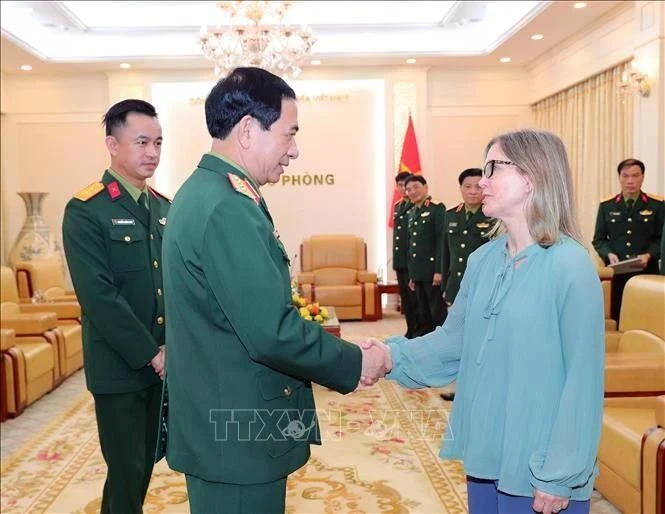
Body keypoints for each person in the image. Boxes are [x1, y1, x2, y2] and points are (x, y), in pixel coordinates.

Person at [160, 67, 390, 514]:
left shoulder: (207, 193)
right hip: (238, 438)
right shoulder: (227, 207)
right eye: (289, 134)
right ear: (248, 130)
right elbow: (271, 332)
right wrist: (356, 361)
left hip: (221, 423)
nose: (295, 150)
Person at [365, 129, 605, 514]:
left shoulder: (571, 264)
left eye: (494, 168)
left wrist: (559, 474)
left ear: (531, 177)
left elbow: (583, 380)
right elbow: (454, 342)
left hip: (538, 468)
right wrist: (388, 356)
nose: (483, 180)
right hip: (487, 453)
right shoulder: (483, 260)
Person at [62, 99, 168, 514]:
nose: (153, 152)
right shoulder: (87, 210)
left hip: (163, 361)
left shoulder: (162, 207)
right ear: (112, 143)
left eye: (158, 142)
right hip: (121, 369)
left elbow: (170, 285)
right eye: (142, 142)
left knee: (143, 467)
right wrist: (151, 355)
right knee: (126, 472)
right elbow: (99, 297)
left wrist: (170, 348)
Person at [439, 167, 492, 401]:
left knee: (481, 339)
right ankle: (458, 385)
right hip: (457, 286)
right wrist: (445, 286)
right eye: (467, 187)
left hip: (484, 287)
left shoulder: (494, 216)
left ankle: (480, 386)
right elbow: (446, 255)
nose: (472, 191)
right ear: (460, 188)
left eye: (478, 187)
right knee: (458, 338)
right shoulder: (451, 215)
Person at [592, 158, 664, 321]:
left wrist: (649, 254)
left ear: (643, 177)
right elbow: (599, 239)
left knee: (646, 319)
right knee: (618, 318)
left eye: (635, 176)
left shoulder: (657, 205)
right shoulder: (607, 206)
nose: (630, 181)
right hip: (617, 275)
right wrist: (608, 254)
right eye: (625, 176)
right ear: (619, 178)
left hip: (646, 275)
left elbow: (662, 239)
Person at [404, 174, 446, 336]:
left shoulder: (436, 209)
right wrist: (412, 275)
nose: (412, 192)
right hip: (419, 272)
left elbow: (441, 241)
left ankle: (442, 344)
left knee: (437, 312)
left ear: (426, 188)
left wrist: (439, 270)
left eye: (416, 187)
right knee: (423, 313)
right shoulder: (412, 213)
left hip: (432, 272)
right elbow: (412, 247)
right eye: (408, 189)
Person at [391, 171, 420, 338]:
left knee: (415, 300)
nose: (403, 189)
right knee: (406, 301)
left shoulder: (416, 207)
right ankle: (410, 329)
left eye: (405, 186)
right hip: (400, 261)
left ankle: (417, 331)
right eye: (400, 186)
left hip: (412, 261)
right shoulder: (398, 206)